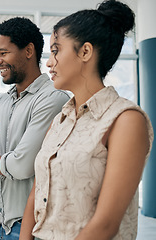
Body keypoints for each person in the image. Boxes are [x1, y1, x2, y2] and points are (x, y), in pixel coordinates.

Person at [19, 1, 154, 239]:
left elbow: (105, 224)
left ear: (85, 52)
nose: (49, 62)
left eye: (56, 50)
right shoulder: (60, 119)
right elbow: (36, 194)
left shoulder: (125, 120)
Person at [0, 17, 70, 239]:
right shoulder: (0, 102)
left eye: (3, 53)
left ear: (29, 51)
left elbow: (22, 166)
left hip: (29, 227)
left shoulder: (52, 99)